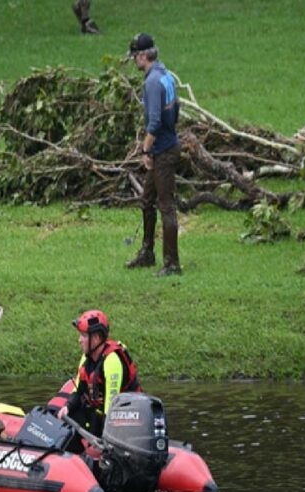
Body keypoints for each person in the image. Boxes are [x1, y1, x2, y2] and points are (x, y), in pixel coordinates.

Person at [125, 32, 183, 277]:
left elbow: (155, 122)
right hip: (165, 147)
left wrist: (146, 149)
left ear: (143, 55)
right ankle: (147, 253)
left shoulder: (151, 82)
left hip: (163, 152)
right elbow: (176, 109)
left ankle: (172, 264)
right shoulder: (165, 75)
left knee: (166, 206)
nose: (133, 61)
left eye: (135, 56)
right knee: (146, 200)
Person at [57, 310, 142, 451]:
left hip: (123, 423)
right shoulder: (86, 358)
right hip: (98, 415)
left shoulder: (112, 362)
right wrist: (67, 407)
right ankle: (73, 458)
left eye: (83, 336)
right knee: (67, 419)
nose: (79, 340)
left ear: (96, 338)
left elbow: (111, 408)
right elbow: (78, 389)